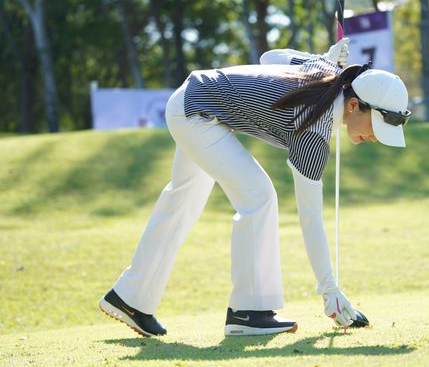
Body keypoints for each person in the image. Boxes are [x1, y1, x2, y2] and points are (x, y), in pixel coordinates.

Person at [99, 38, 411, 336]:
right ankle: (249, 312)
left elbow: (270, 58)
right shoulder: (314, 128)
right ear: (354, 105)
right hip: (197, 113)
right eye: (375, 128)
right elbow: (310, 217)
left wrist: (325, 59)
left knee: (183, 201)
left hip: (193, 99)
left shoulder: (323, 72)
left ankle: (130, 296)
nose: (374, 138)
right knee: (259, 196)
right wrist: (329, 291)